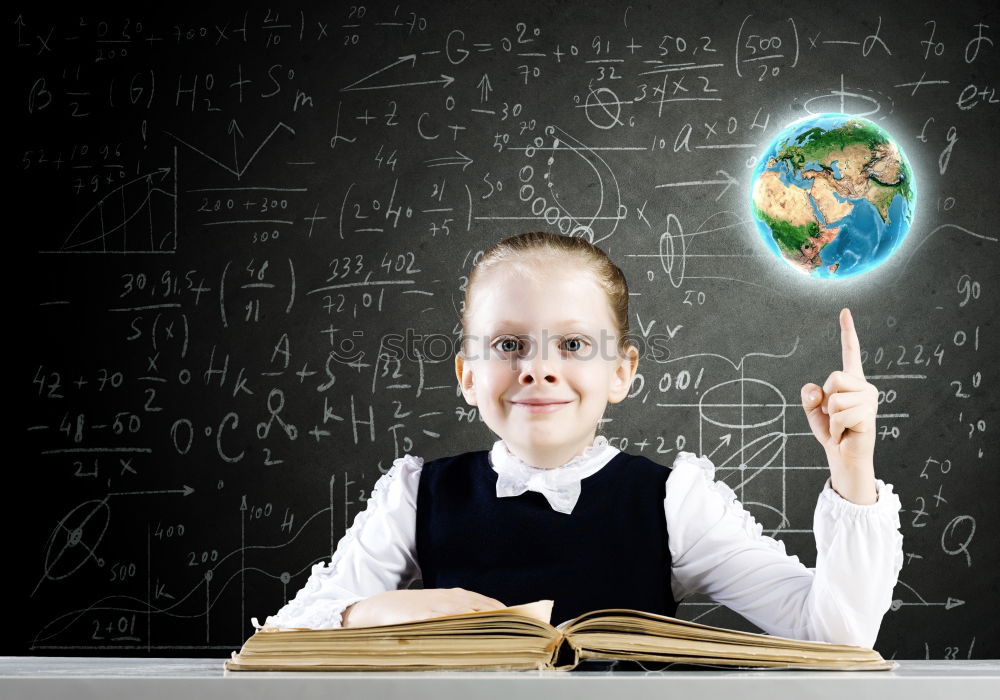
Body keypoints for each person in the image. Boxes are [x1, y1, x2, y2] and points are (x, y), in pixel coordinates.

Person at [255, 231, 903, 648]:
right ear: (468, 375)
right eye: (509, 344)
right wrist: (401, 609)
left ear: (621, 371)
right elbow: (286, 634)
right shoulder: (414, 493)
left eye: (572, 344)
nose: (538, 367)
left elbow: (837, 633)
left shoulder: (676, 500)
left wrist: (853, 471)